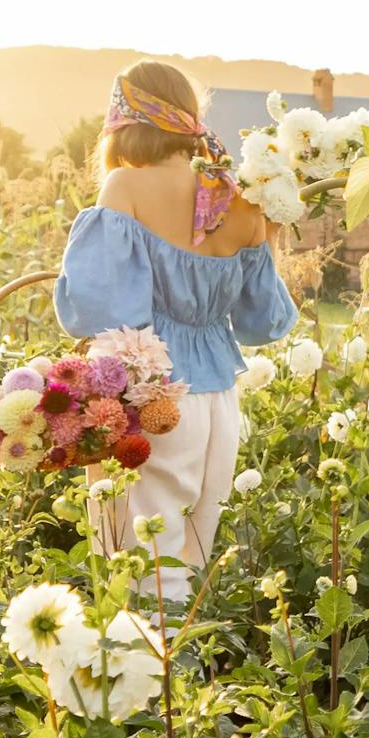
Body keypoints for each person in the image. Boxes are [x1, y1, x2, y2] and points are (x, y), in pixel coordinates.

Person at [53, 62, 297, 600]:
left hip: (152, 397)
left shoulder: (126, 185)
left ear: (122, 122)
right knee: (190, 560)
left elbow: (95, 309)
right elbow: (265, 322)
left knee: (134, 568)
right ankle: (182, 677)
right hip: (218, 404)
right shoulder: (238, 199)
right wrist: (265, 237)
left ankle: (134, 681)